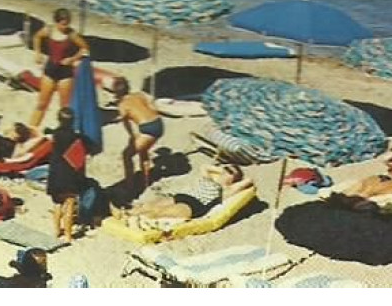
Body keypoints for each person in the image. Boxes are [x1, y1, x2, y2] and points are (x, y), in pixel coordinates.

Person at [116, 163, 251, 229]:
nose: (225, 172)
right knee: (149, 205)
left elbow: (249, 182)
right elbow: (204, 166)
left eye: (229, 172)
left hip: (194, 205)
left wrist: (233, 176)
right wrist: (221, 169)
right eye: (226, 169)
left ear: (234, 179)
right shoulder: (210, 177)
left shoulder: (225, 190)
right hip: (183, 196)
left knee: (158, 212)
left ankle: (134, 219)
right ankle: (124, 213)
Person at [28, 7, 89, 129]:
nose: (65, 27)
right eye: (63, 24)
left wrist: (72, 59)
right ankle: (31, 129)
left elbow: (85, 49)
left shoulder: (72, 35)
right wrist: (38, 53)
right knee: (41, 104)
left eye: (67, 23)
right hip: (50, 70)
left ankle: (63, 131)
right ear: (57, 22)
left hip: (65, 73)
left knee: (65, 107)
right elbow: (36, 37)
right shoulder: (49, 30)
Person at [110, 77, 163, 191]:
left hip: (147, 128)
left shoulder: (122, 105)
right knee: (143, 151)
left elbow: (127, 124)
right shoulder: (139, 95)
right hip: (158, 123)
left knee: (127, 155)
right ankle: (146, 181)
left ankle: (130, 185)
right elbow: (153, 108)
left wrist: (132, 135)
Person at [46, 107, 88, 240]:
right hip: (69, 173)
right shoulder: (76, 137)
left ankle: (56, 232)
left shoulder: (55, 135)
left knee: (57, 203)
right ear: (72, 121)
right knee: (70, 203)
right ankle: (69, 235)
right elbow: (81, 157)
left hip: (55, 172)